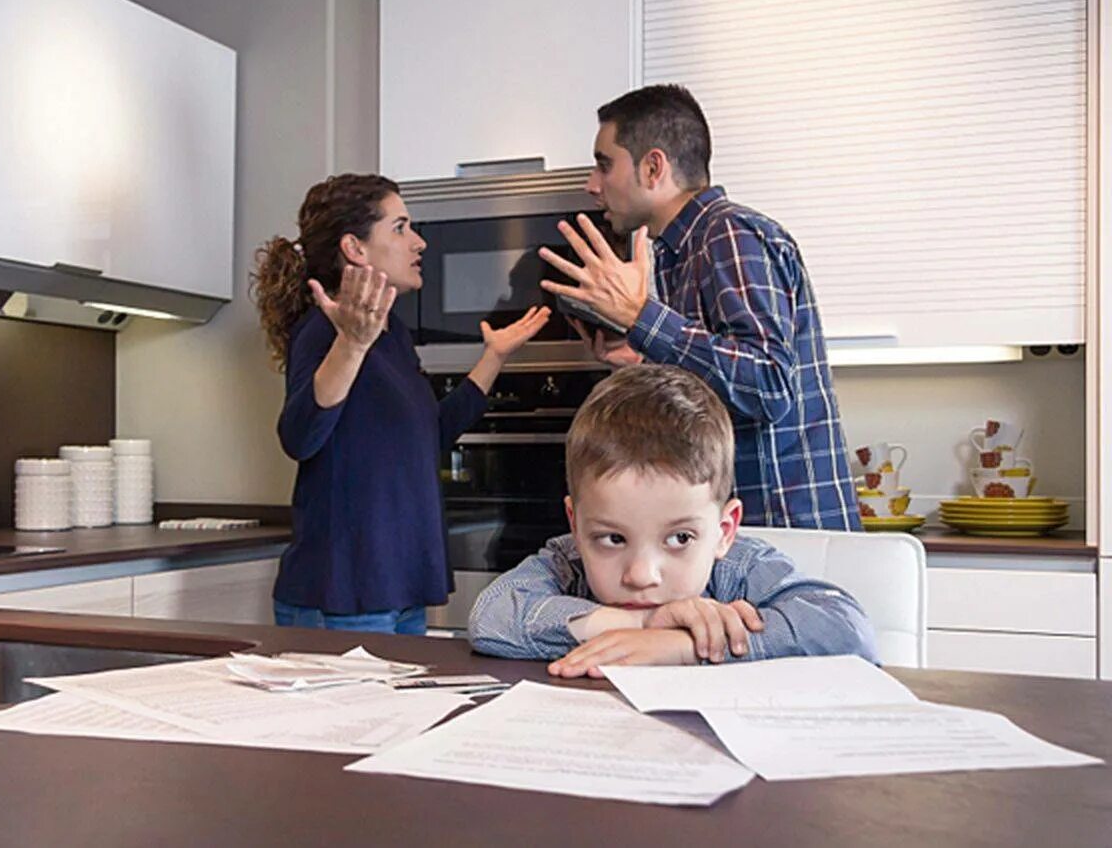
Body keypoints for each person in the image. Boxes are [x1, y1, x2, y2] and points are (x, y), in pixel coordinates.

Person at [538, 84, 859, 531]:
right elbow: (720, 392)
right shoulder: (675, 253)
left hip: (788, 534)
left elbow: (768, 385)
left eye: (603, 164)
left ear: (653, 167)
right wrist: (643, 361)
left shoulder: (728, 233)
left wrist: (640, 318)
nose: (592, 184)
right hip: (741, 534)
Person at [252, 173, 550, 635]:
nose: (419, 242)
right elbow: (299, 435)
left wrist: (494, 357)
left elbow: (429, 434)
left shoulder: (393, 337)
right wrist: (351, 345)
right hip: (345, 595)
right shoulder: (323, 330)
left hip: (399, 591)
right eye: (400, 227)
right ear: (356, 248)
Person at [468, 365, 878, 676]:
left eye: (680, 538)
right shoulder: (566, 560)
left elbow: (848, 630)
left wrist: (684, 645)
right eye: (612, 538)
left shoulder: (741, 567)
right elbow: (491, 618)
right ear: (575, 524)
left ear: (724, 531)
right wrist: (643, 622)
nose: (642, 576)